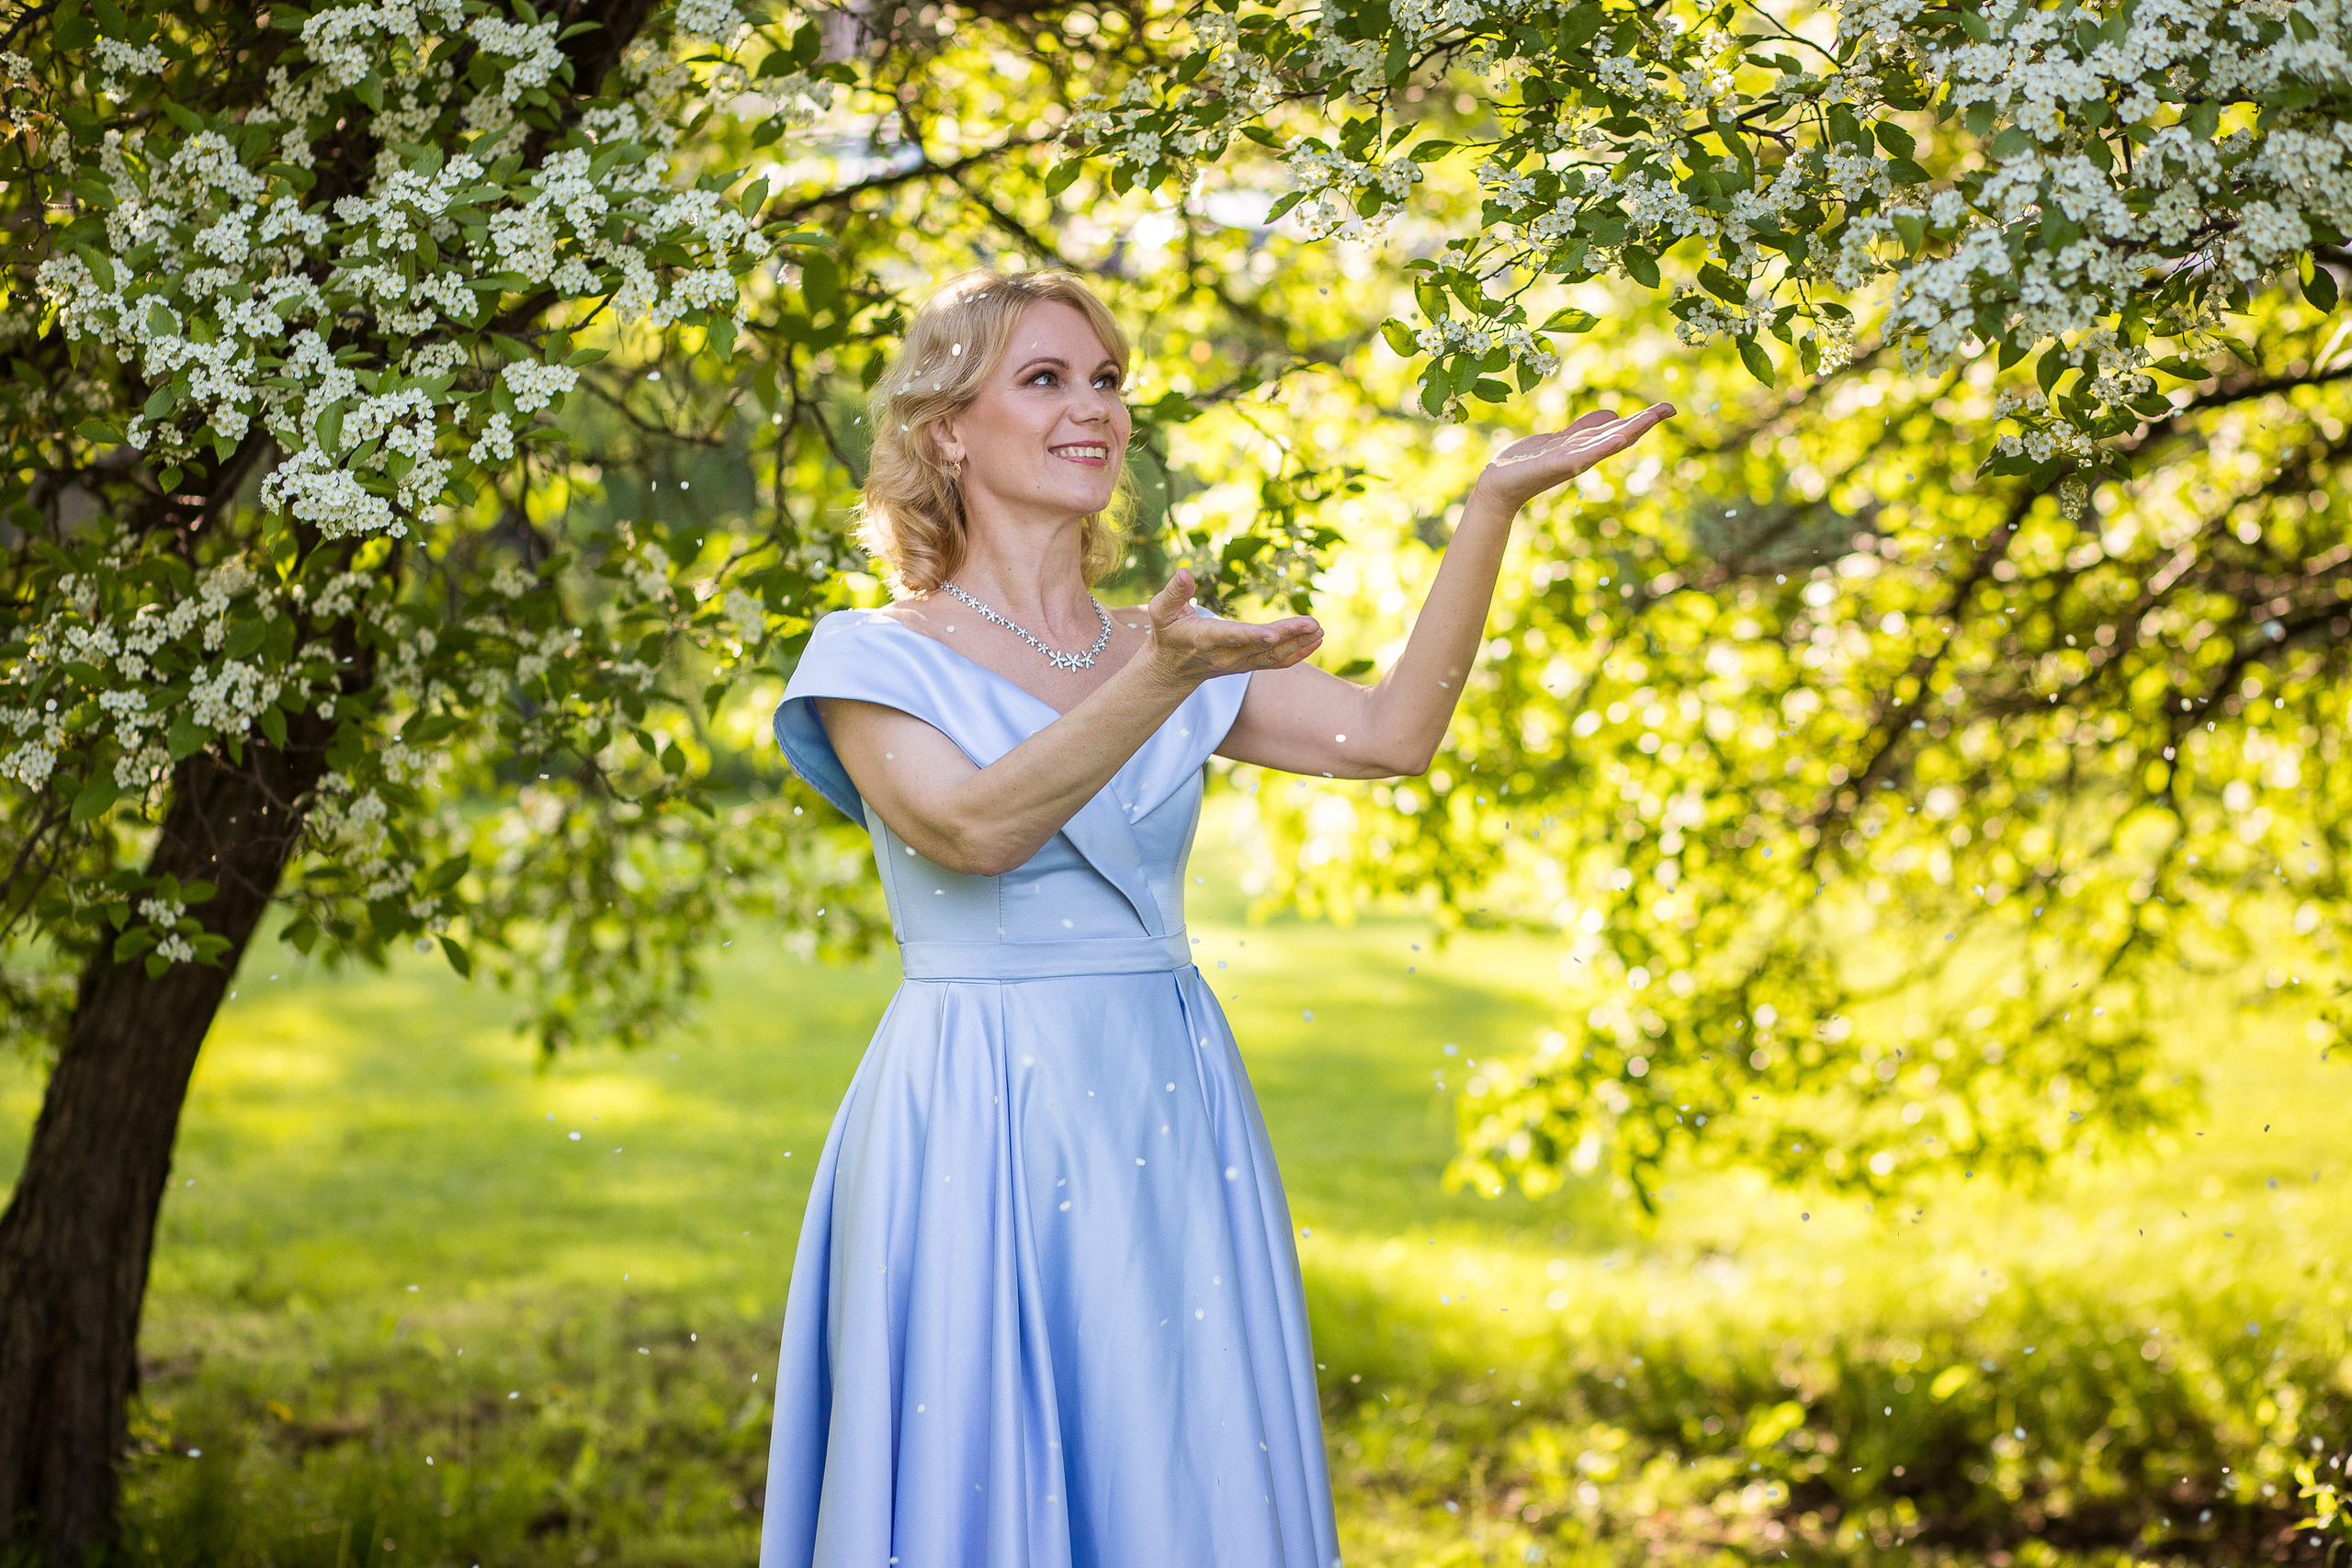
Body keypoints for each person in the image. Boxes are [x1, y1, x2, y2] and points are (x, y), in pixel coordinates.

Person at [761, 267, 1672, 1568]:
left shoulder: (1164, 640)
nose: (1093, 408)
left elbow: (1388, 738)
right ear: (947, 430)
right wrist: (1161, 679)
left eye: (1107, 380)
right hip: (974, 1096)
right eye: (1045, 379)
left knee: (1170, 1446)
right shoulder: (872, 654)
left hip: (1164, 1090)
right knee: (985, 1441)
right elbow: (972, 832)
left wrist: (1490, 508)